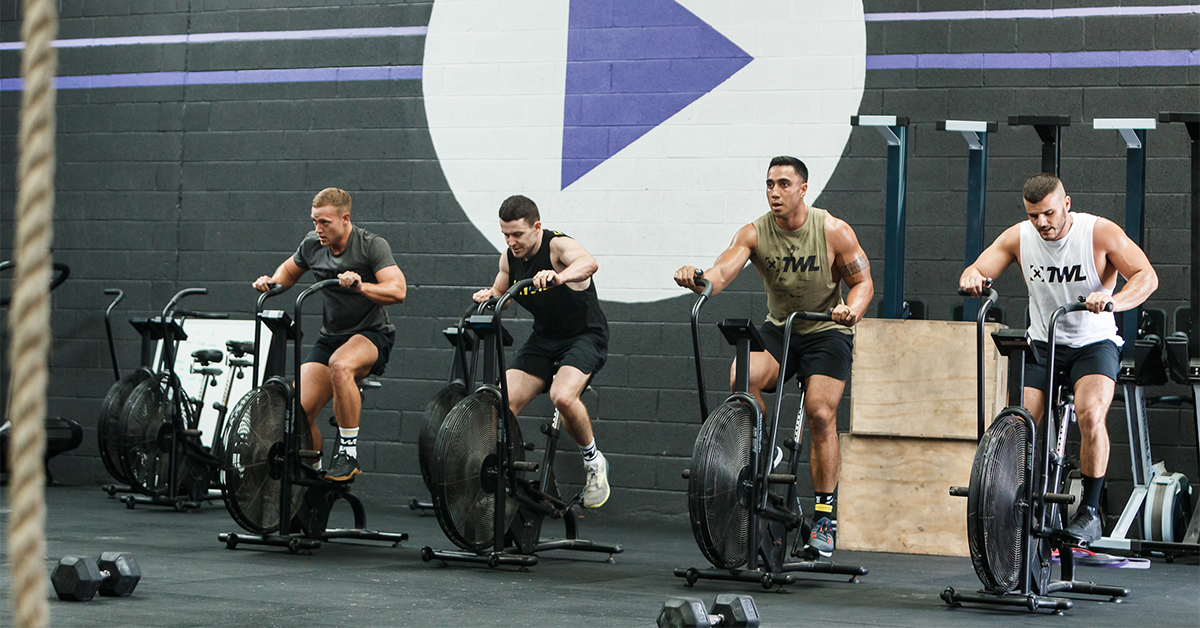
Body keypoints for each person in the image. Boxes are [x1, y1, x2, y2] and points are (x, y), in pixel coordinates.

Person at [674, 156, 874, 558]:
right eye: (769, 184)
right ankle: (765, 449)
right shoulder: (754, 233)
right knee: (741, 379)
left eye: (784, 184)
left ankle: (824, 517)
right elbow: (723, 271)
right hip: (781, 327)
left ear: (803, 189)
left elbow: (863, 281)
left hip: (825, 328)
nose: (774, 192)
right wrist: (699, 279)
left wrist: (852, 310)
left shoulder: (833, 230)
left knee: (820, 413)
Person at [960, 172, 1158, 546]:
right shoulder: (1020, 236)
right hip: (1043, 342)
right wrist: (973, 276)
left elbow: (1146, 277)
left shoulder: (1098, 233)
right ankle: (1022, 502)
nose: (1042, 223)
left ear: (1066, 204)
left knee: (1089, 413)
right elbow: (979, 268)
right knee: (1019, 421)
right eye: (1034, 216)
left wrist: (1114, 301)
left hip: (1093, 342)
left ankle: (1090, 512)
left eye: (1049, 213)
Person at [253, 187, 407, 482]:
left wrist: (362, 285)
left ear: (345, 219)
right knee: (297, 409)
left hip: (372, 334)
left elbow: (398, 291)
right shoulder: (312, 245)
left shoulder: (371, 245)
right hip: (331, 337)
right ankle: (310, 480)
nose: (318, 229)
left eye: (325, 222)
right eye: (315, 221)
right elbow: (287, 272)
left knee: (341, 364)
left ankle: (348, 453)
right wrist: (270, 283)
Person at [472, 195, 611, 508]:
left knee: (562, 396)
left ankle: (593, 462)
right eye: (505, 235)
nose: (511, 241)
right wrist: (490, 296)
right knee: (498, 400)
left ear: (536, 227)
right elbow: (501, 291)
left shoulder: (557, 247)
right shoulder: (509, 257)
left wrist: (558, 276)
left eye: (517, 234)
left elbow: (589, 263)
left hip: (584, 336)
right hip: (544, 340)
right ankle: (504, 470)